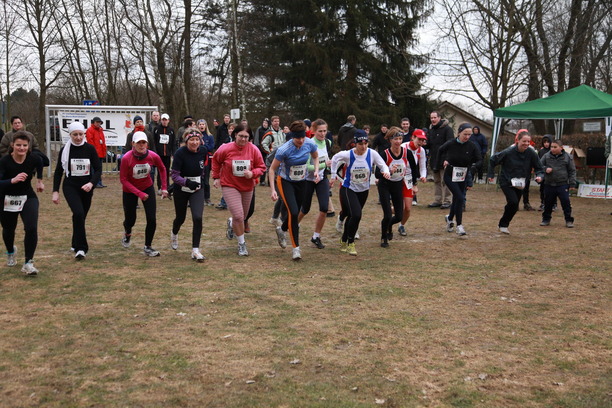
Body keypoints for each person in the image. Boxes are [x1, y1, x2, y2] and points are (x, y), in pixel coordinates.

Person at [330, 130, 390, 255]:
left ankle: (344, 239)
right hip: (348, 188)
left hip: (363, 190)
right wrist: (333, 175)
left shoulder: (372, 153)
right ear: (355, 144)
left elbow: (383, 165)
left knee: (353, 216)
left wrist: (386, 172)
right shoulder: (348, 154)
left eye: (365, 143)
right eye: (360, 144)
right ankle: (351, 243)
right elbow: (335, 158)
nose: (363, 147)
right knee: (356, 215)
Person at [268, 120, 319, 260]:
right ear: (292, 136)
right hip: (285, 182)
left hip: (301, 181)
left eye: (303, 137)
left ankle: (282, 229)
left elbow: (315, 157)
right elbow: (272, 169)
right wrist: (273, 190)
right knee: (294, 212)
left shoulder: (309, 143)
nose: (301, 140)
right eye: (298, 138)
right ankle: (296, 249)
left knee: (296, 212)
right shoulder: (284, 149)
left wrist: (316, 171)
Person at [212, 125, 266, 256]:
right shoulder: (225, 148)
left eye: (246, 137)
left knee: (243, 216)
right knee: (238, 215)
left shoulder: (254, 150)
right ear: (235, 134)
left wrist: (252, 173)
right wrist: (216, 177)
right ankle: (242, 244)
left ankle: (232, 223)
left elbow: (261, 167)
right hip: (229, 184)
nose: (243, 139)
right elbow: (216, 160)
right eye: (241, 136)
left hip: (247, 186)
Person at [52, 121, 102, 259]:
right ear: (70, 135)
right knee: (79, 213)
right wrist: (55, 191)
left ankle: (75, 242)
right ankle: (81, 249)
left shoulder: (90, 149)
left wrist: (91, 183)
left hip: (87, 187)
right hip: (71, 186)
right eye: (75, 135)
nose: (78, 137)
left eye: (80, 134)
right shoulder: (65, 150)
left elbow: (98, 169)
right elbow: (58, 172)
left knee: (80, 216)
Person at [0, 131, 44, 275]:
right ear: (12, 145)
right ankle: (10, 251)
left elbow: (41, 162)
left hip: (27, 197)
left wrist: (39, 180)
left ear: (28, 146)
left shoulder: (33, 158)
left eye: (25, 145)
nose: (22, 148)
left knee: (31, 227)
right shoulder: (5, 161)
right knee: (8, 229)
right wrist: (12, 180)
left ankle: (28, 263)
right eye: (18, 145)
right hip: (7, 198)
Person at [120, 131, 168, 256]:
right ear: (133, 144)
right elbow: (123, 180)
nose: (141, 145)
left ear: (147, 144)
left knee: (152, 218)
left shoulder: (152, 156)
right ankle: (127, 233)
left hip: (147, 187)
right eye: (138, 143)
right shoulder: (126, 158)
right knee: (130, 219)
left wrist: (164, 187)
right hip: (129, 190)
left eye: (144, 143)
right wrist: (139, 193)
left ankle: (148, 246)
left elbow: (162, 168)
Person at [488, 129, 544, 234]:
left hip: (520, 183)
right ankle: (503, 225)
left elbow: (539, 168)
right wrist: (490, 174)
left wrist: (539, 176)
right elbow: (493, 159)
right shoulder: (508, 152)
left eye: (528, 141)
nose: (526, 144)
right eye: (524, 141)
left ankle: (504, 223)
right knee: (513, 202)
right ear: (518, 140)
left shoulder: (531, 153)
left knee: (514, 206)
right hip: (506, 181)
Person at [169, 129, 209, 261]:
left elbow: (203, 167)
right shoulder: (180, 153)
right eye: (192, 140)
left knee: (197, 217)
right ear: (186, 141)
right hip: (181, 189)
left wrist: (200, 180)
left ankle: (195, 250)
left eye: (197, 139)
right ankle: (174, 233)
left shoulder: (203, 151)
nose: (194, 142)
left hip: (197, 188)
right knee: (180, 218)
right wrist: (186, 182)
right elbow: (174, 175)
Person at [377, 127, 418, 247]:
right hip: (384, 185)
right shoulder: (384, 154)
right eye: (395, 139)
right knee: (388, 215)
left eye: (400, 139)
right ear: (390, 140)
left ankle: (389, 225)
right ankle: (384, 237)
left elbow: (414, 168)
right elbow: (377, 173)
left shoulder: (406, 153)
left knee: (399, 216)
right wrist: (388, 171)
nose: (398, 142)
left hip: (397, 184)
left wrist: (414, 184)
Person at [438, 123, 482, 236]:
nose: (467, 137)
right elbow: (440, 150)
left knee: (457, 198)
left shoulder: (472, 146)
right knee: (460, 198)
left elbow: (479, 159)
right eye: (465, 134)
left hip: (462, 175)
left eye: (469, 134)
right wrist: (443, 161)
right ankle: (459, 225)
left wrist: (474, 166)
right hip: (449, 175)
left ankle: (449, 218)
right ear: (459, 133)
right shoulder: (451, 143)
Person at [297, 118, 333, 249]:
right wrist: (324, 165)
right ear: (313, 131)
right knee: (305, 209)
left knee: (324, 208)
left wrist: (330, 172)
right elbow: (307, 167)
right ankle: (294, 225)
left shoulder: (328, 143)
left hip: (322, 179)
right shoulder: (308, 144)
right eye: (320, 131)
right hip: (308, 180)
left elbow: (327, 160)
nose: (323, 134)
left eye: (325, 131)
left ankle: (316, 236)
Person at [539, 139, 576, 228]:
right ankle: (546, 219)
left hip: (562, 184)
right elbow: (539, 166)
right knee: (548, 203)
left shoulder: (568, 157)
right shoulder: (546, 156)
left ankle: (569, 220)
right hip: (549, 184)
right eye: (551, 147)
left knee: (566, 203)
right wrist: (545, 169)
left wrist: (572, 183)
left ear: (561, 148)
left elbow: (572, 171)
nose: (552, 149)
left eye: (555, 147)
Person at [399, 128, 427, 231]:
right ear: (413, 137)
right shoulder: (403, 147)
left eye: (423, 140)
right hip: (398, 178)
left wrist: (423, 176)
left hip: (409, 179)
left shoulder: (421, 151)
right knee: (399, 208)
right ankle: (390, 213)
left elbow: (422, 166)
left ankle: (401, 225)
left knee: (407, 208)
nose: (421, 142)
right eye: (419, 139)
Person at [427, 111, 454, 208]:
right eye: (431, 118)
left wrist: (447, 159)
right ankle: (437, 200)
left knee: (445, 181)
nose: (433, 120)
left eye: (435, 117)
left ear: (439, 118)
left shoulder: (448, 129)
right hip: (434, 160)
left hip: (444, 161)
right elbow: (429, 144)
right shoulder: (431, 130)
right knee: (437, 181)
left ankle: (447, 201)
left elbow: (451, 145)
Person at [153, 113, 175, 196]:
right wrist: (155, 152)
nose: (164, 121)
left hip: (168, 154)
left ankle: (167, 187)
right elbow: (154, 141)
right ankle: (160, 187)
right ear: (161, 120)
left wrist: (173, 152)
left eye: (166, 120)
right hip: (159, 154)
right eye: (163, 120)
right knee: (160, 170)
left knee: (167, 170)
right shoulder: (156, 129)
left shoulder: (171, 130)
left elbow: (173, 142)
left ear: (168, 121)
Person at [197, 119, 215, 205]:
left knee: (206, 180)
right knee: (198, 179)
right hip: (197, 159)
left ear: (205, 126)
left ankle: (207, 198)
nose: (201, 126)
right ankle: (197, 197)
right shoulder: (195, 136)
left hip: (207, 160)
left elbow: (211, 147)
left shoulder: (210, 136)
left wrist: (204, 145)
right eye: (200, 124)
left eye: (203, 124)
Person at [85, 116, 107, 188]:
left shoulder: (100, 130)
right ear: (93, 122)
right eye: (97, 122)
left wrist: (104, 152)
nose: (98, 123)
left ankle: (99, 182)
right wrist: (93, 152)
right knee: (94, 169)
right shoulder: (90, 130)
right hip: (95, 153)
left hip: (100, 153)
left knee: (99, 169)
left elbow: (103, 142)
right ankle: (94, 183)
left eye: (99, 122)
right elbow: (90, 142)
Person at [537, 135, 553, 211]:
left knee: (552, 189)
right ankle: (543, 203)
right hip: (543, 172)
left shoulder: (553, 150)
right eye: (545, 142)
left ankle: (553, 204)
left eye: (548, 142)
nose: (546, 144)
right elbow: (539, 162)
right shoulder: (541, 151)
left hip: (552, 173)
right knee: (542, 189)